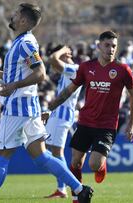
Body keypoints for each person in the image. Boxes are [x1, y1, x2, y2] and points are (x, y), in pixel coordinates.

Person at [0, 3, 93, 203]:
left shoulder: (25, 43)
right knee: (42, 158)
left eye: (16, 14)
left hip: (18, 108)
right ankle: (79, 189)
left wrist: (13, 85)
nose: (13, 16)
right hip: (30, 109)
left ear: (23, 20)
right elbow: (21, 73)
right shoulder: (23, 42)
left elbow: (40, 73)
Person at [47, 30, 133, 203]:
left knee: (94, 164)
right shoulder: (86, 67)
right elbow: (70, 90)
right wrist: (53, 105)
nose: (111, 49)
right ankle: (76, 197)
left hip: (107, 125)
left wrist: (131, 124)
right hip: (85, 122)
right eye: (107, 45)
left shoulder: (122, 70)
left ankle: (101, 165)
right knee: (75, 163)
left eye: (114, 46)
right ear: (98, 46)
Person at [43, 45, 82, 198]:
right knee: (48, 150)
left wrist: (63, 50)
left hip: (63, 117)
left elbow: (53, 60)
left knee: (56, 153)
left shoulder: (74, 68)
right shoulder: (69, 70)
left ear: (66, 54)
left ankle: (68, 187)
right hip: (57, 115)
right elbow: (53, 61)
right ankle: (61, 187)